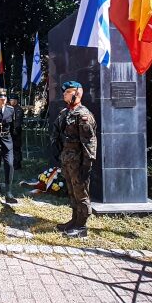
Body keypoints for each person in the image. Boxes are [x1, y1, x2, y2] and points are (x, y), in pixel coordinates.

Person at [50, 81, 97, 238]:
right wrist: (56, 147)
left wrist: (87, 164)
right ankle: (74, 220)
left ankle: (82, 226)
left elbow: (89, 142)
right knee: (72, 192)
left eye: (67, 92)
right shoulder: (66, 112)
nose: (64, 95)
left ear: (76, 93)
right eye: (64, 93)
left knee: (81, 193)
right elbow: (56, 130)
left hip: (79, 161)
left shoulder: (83, 116)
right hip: (67, 159)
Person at [8, 94, 24, 169]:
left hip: (15, 132)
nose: (11, 101)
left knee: (16, 148)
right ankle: (12, 163)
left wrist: (15, 130)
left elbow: (18, 122)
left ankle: (17, 164)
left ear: (16, 101)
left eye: (12, 100)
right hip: (10, 131)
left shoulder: (18, 109)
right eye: (10, 100)